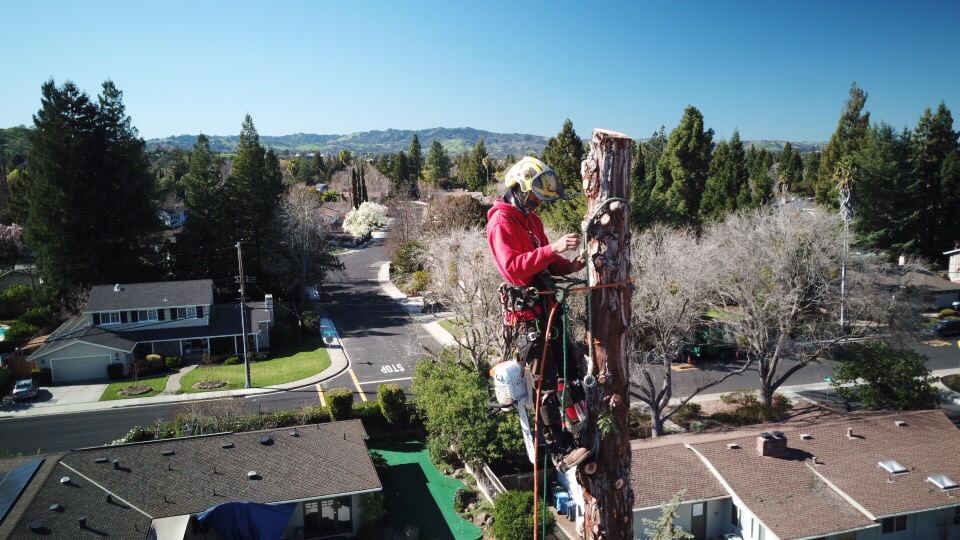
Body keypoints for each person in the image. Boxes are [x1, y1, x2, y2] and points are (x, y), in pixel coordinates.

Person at [486, 156, 592, 471]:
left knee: (569, 368)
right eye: (533, 196)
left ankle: (580, 432)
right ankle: (559, 452)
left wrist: (568, 265)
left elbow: (543, 258)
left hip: (546, 305)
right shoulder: (501, 221)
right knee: (544, 382)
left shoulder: (531, 220)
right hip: (526, 316)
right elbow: (515, 268)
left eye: (540, 198)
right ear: (517, 188)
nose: (537, 203)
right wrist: (554, 250)